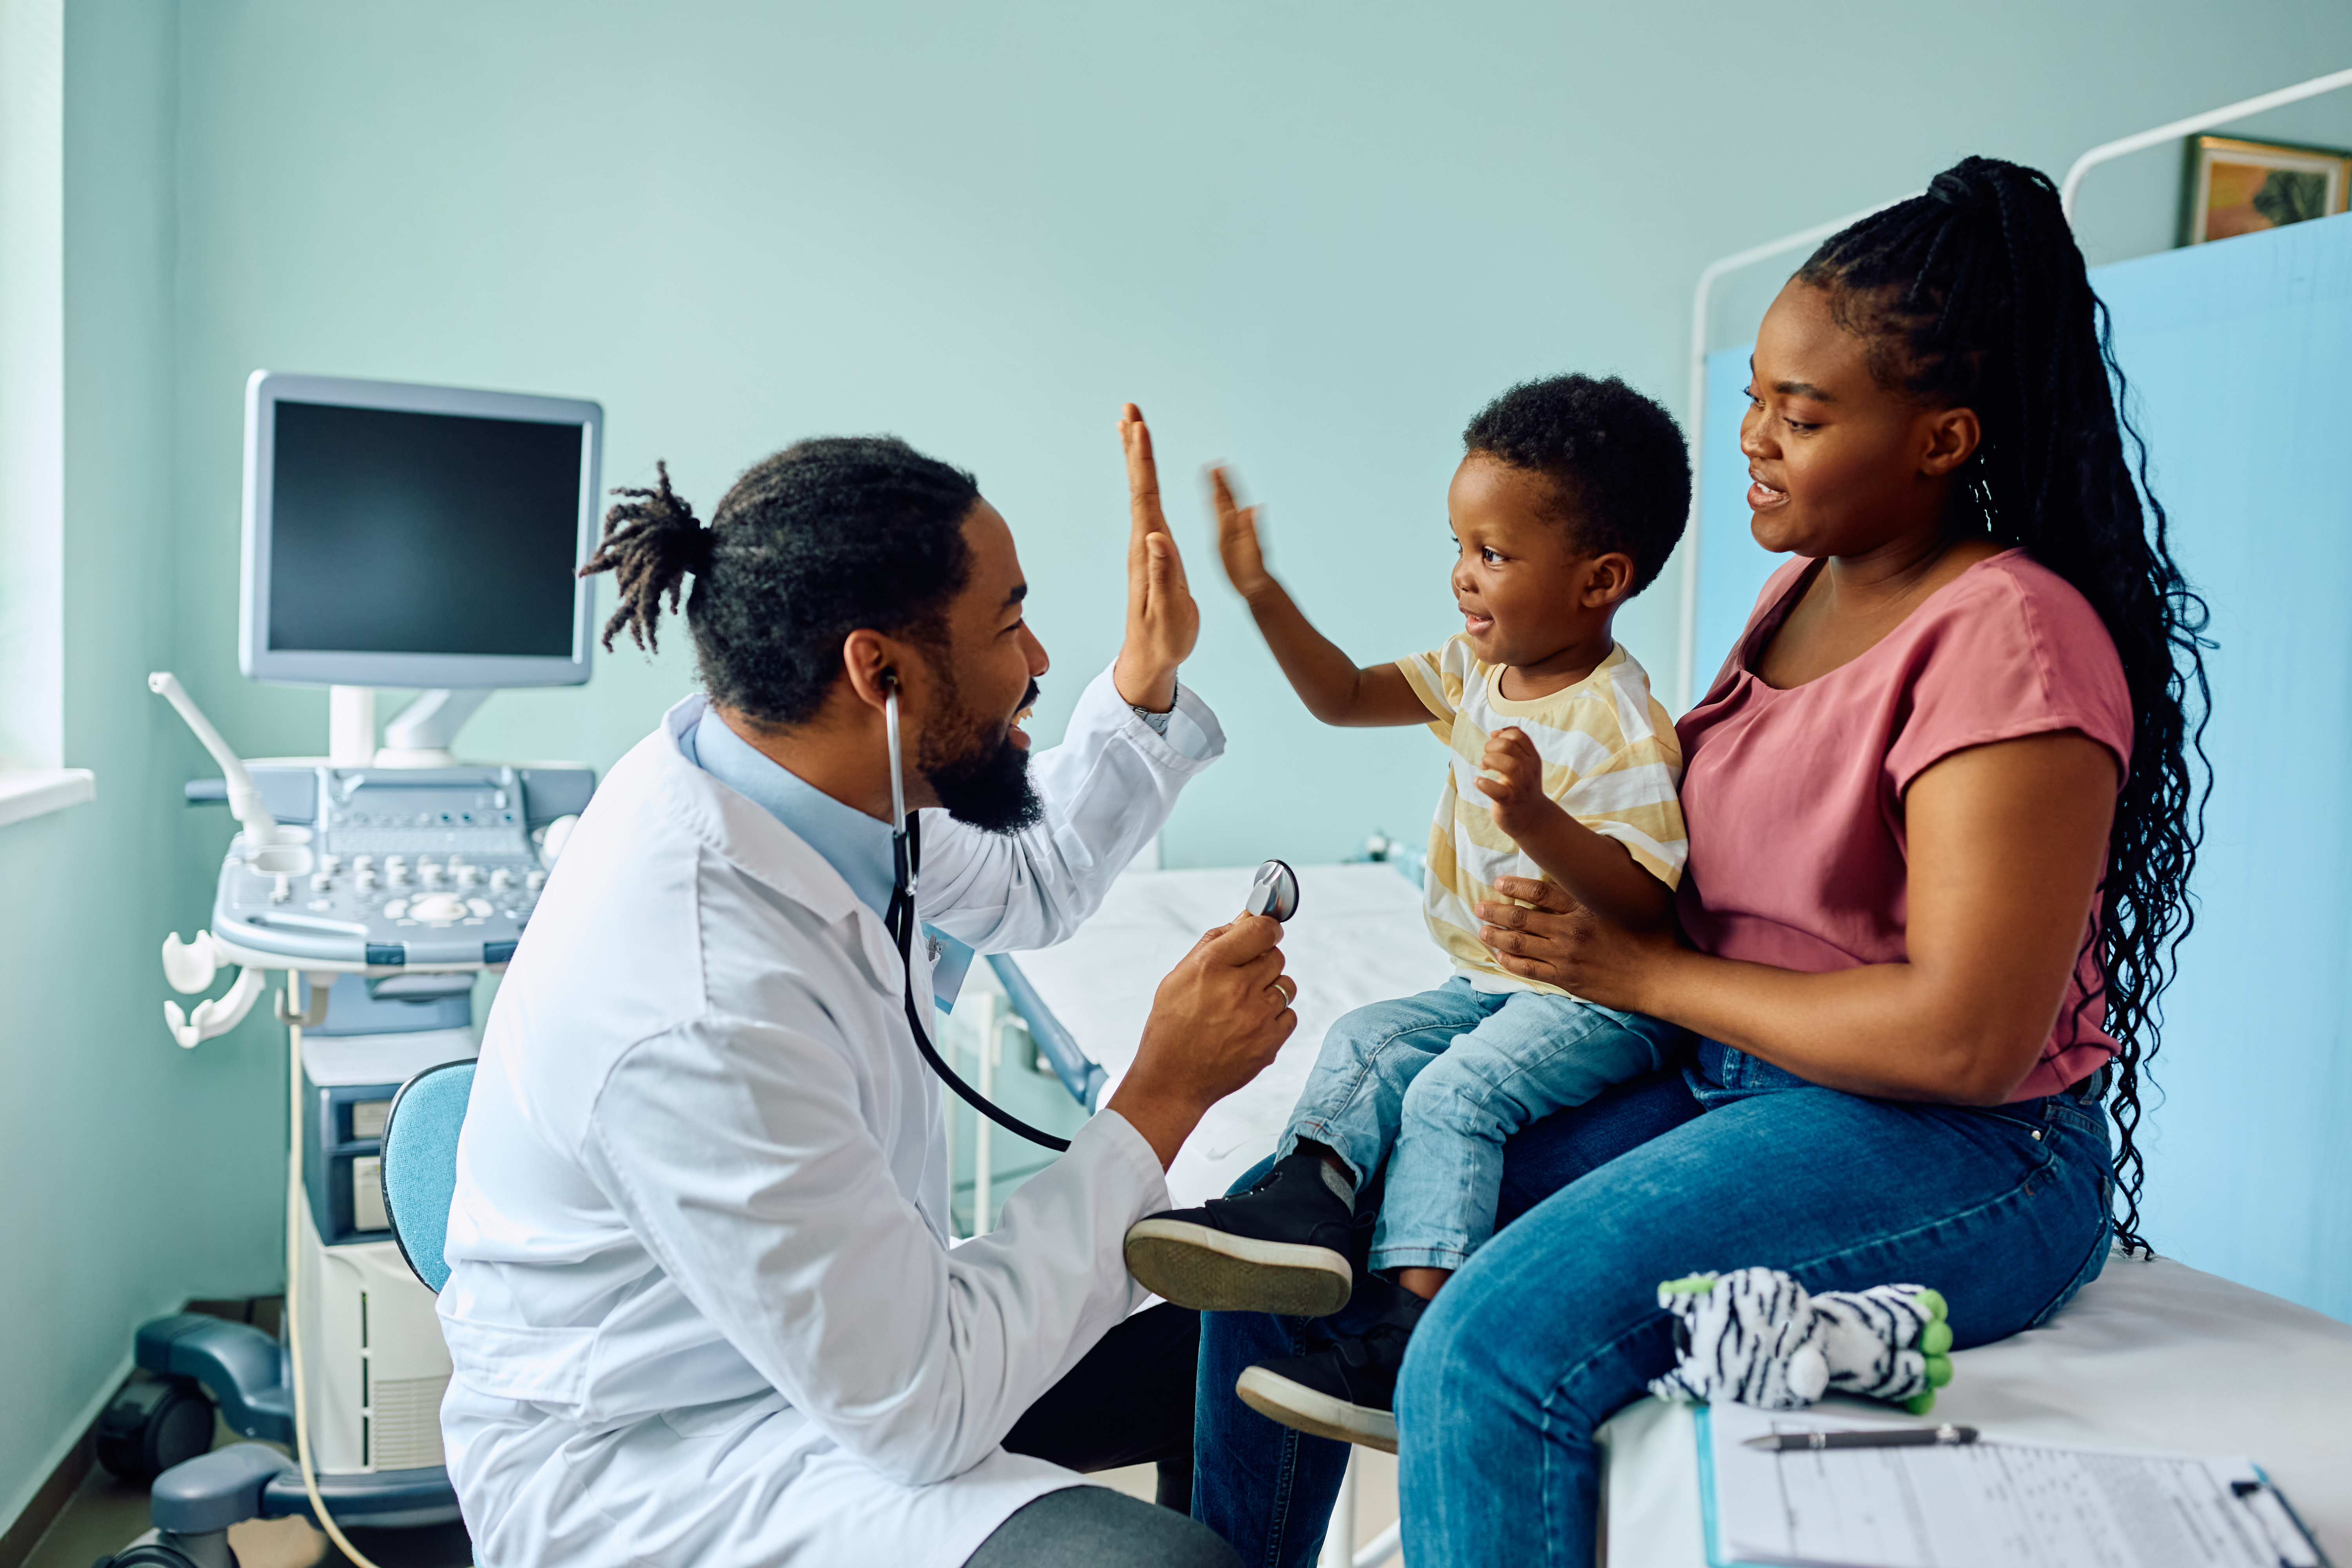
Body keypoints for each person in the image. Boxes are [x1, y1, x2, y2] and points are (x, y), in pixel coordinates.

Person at [1192, 156, 2210, 1568]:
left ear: (1942, 437)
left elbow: (1966, 1038)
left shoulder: (2008, 639)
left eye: (1802, 415)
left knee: (1487, 1351)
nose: (1756, 441)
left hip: (1959, 1144)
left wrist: (1650, 971)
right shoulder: (1803, 591)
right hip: (1727, 1076)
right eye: (1754, 400)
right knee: (1287, 1252)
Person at [437, 410, 1295, 1568]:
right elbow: (921, 1405)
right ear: (878, 669)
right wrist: (1162, 1095)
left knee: (1269, 1329)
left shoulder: (808, 779)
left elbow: (1029, 881)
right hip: (667, 1458)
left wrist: (1143, 686)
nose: (1039, 663)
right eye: (1009, 627)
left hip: (834, 1343)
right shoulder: (697, 996)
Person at [1122, 376, 1693, 1450]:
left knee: (1452, 1098)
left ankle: (1411, 1337)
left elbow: (1647, 902)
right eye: (1460, 545)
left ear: (1601, 580)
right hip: (1488, 979)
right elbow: (1339, 695)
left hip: (1595, 999)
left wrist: (1533, 818)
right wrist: (1260, 592)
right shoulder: (1478, 670)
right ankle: (1306, 1207)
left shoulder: (1621, 721)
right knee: (1368, 1037)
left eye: (1494, 554)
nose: (1463, 576)